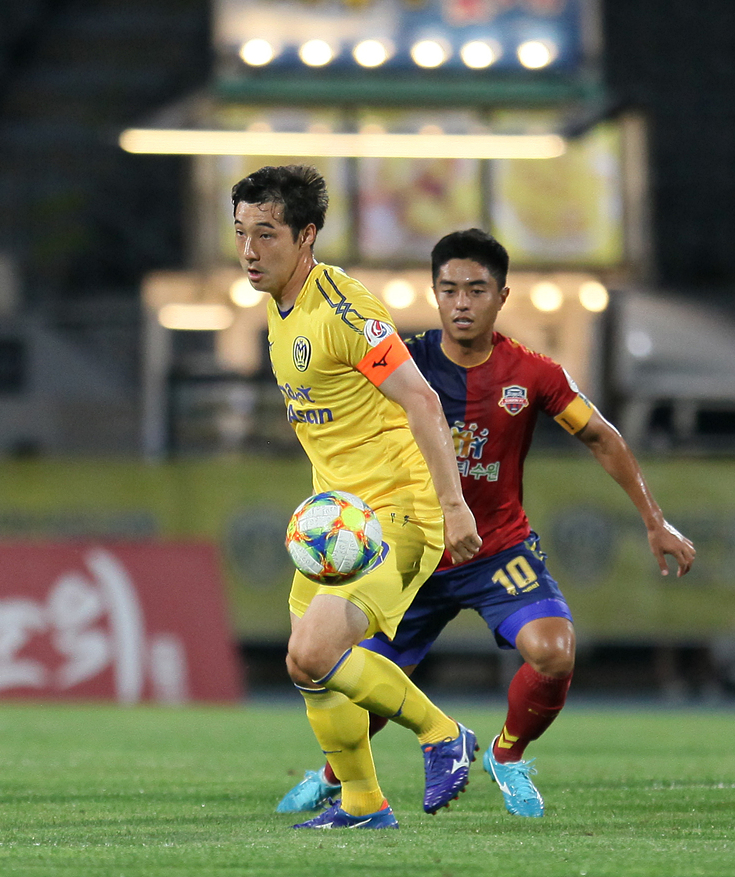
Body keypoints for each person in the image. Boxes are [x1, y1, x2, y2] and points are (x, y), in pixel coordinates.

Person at [278, 228, 694, 818]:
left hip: (495, 548)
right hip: (414, 544)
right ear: (434, 294)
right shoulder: (403, 362)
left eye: (476, 290)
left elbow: (601, 436)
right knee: (348, 676)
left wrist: (655, 520)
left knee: (554, 652)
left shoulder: (534, 373)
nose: (461, 303)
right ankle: (335, 777)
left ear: (502, 296)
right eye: (448, 290)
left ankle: (507, 754)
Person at [233, 165, 483, 830]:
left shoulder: (344, 311)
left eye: (266, 233)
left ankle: (443, 734)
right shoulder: (277, 304)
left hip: (395, 513)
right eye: (241, 233)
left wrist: (453, 505)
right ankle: (363, 803)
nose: (249, 251)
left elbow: (422, 399)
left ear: (306, 236)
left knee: (316, 654)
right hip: (335, 519)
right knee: (306, 665)